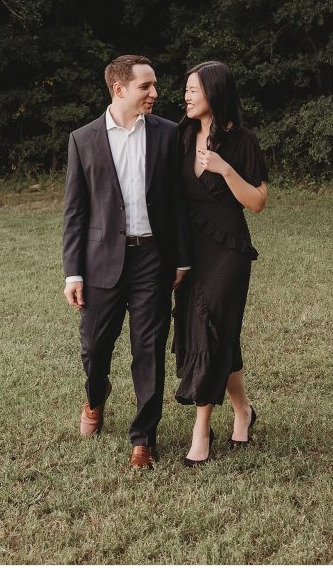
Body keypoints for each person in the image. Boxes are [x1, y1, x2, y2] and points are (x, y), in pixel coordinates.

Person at [62, 54, 191, 469]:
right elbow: (75, 211)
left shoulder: (168, 134)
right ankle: (95, 398)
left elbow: (178, 203)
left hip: (153, 257)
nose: (155, 93)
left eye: (154, 86)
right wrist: (73, 272)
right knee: (95, 347)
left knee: (149, 349)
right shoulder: (83, 139)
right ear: (119, 90)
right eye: (146, 87)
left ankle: (143, 439)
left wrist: (183, 258)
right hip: (100, 262)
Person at [172, 60, 269, 466]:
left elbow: (258, 203)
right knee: (218, 334)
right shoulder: (178, 135)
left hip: (228, 250)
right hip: (189, 250)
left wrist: (226, 170)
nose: (187, 96)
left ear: (215, 92)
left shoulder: (243, 142)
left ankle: (201, 430)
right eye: (187, 90)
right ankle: (243, 410)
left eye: (194, 89)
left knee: (208, 329)